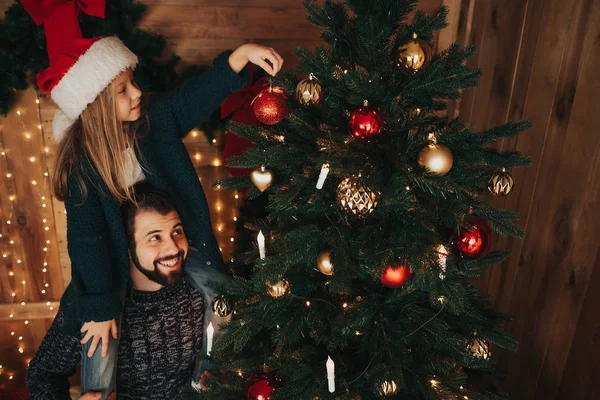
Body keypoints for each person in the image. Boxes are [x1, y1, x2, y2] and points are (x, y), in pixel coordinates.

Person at [20, 0, 283, 398]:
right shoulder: (83, 166)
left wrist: (238, 59)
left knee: (223, 297)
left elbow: (193, 98)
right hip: (112, 269)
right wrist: (97, 305)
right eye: (123, 89)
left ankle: (213, 378)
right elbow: (88, 239)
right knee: (101, 334)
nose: (137, 92)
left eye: (133, 81)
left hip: (176, 238)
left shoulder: (153, 119)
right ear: (94, 105)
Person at [26, 184, 230, 399]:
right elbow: (41, 374)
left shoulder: (201, 291)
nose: (173, 248)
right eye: (155, 237)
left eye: (176, 231)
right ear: (128, 245)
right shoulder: (94, 304)